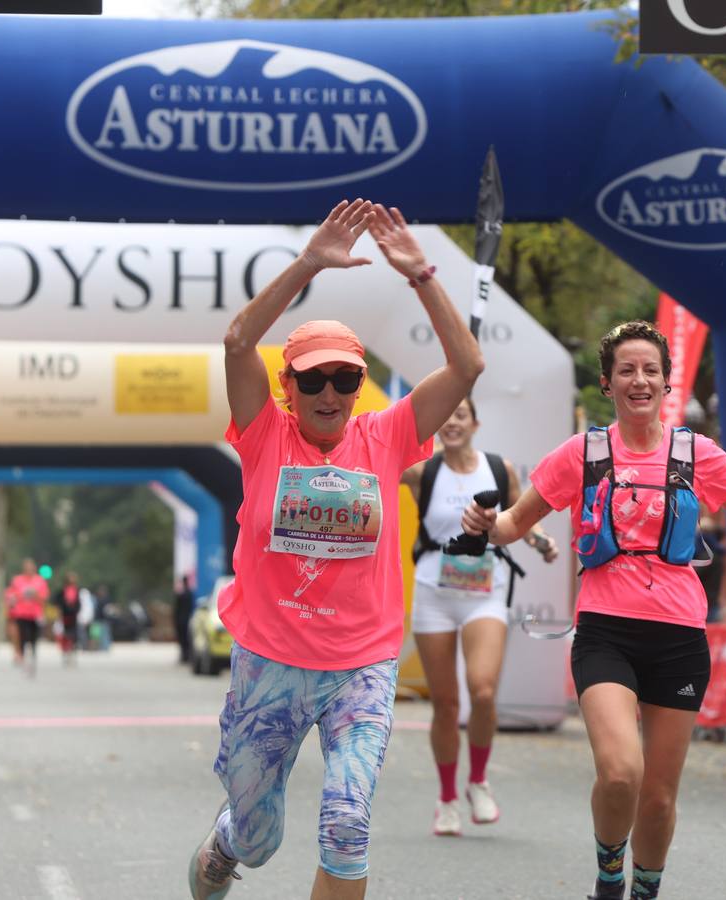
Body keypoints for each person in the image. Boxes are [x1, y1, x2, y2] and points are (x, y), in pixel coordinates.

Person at [461, 321, 726, 900]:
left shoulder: (697, 454)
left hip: (680, 637)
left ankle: (645, 890)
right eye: (627, 370)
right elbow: (512, 524)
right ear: (607, 383)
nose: (640, 380)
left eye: (650, 370)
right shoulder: (581, 455)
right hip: (607, 632)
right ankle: (610, 876)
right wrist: (486, 526)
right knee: (621, 772)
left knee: (657, 795)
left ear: (666, 382)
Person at [188, 199, 483, 900]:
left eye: (346, 378)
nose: (330, 391)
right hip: (271, 662)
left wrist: (421, 275)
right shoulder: (263, 433)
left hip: (362, 666)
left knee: (348, 824)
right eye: (313, 378)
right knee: (261, 841)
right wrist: (310, 263)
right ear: (287, 388)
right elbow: (236, 343)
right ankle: (230, 840)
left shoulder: (386, 436)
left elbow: (467, 366)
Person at [399, 398, 559, 836]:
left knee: (483, 691)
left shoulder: (497, 467)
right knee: (446, 705)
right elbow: (375, 465)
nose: (451, 422)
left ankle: (479, 781)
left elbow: (521, 515)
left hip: (486, 591)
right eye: (444, 415)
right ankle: (447, 797)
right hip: (435, 593)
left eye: (460, 415)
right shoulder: (423, 471)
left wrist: (541, 541)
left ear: (475, 422)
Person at [7, 558, 48, 678]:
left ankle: (33, 660)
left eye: (31, 567)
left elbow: (44, 598)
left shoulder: (40, 581)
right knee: (23, 638)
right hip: (21, 614)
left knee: (33, 639)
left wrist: (35, 595)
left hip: (35, 615)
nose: (29, 570)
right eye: (27, 568)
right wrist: (13, 603)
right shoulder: (17, 580)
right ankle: (24, 660)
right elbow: (11, 596)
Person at [57, 571, 82, 666]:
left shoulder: (77, 590)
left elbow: (79, 604)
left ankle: (73, 652)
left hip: (74, 616)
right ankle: (66, 652)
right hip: (65, 616)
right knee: (65, 635)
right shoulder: (63, 591)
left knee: (74, 635)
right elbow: (58, 603)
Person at [174, 574, 196, 664]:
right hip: (187, 619)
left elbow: (177, 609)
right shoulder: (190, 594)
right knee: (187, 639)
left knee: (183, 639)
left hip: (181, 620)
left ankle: (184, 655)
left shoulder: (181, 595)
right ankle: (187, 655)